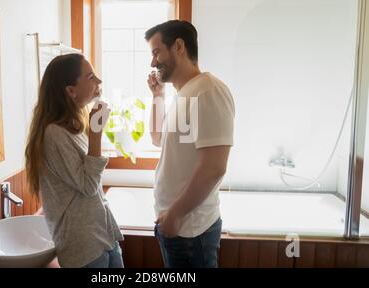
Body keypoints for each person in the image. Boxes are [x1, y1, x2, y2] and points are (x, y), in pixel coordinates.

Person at [146, 20, 235, 268]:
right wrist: (157, 97)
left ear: (178, 47)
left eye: (156, 52)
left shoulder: (207, 92)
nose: (153, 62)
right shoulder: (184, 94)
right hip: (178, 227)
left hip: (191, 232)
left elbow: (214, 167)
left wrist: (176, 214)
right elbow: (156, 139)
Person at [25, 53, 124, 268]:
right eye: (91, 77)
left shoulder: (73, 126)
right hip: (83, 247)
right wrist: (96, 135)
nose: (99, 81)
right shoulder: (53, 134)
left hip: (102, 236)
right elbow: (88, 186)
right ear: (70, 90)